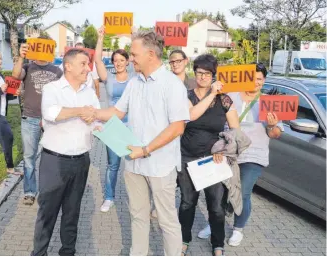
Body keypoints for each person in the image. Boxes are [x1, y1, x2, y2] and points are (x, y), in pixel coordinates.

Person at [93, 30, 189, 256]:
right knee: (138, 216)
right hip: (134, 165)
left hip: (160, 166)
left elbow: (178, 126)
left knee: (167, 221)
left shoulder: (172, 84)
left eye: (134, 54)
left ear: (150, 54)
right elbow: (117, 111)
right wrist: (93, 113)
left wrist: (145, 150)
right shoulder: (135, 82)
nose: (131, 58)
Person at [197, 63, 283, 246]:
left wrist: (271, 125)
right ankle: (215, 224)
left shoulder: (268, 102)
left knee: (242, 192)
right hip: (227, 152)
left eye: (260, 79)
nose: (256, 82)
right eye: (253, 78)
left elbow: (275, 134)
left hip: (254, 154)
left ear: (264, 81)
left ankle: (238, 228)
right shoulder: (231, 96)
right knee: (219, 193)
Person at [31, 48, 100, 256]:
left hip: (81, 160)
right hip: (55, 161)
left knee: (72, 213)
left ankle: (67, 252)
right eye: (83, 64)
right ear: (68, 66)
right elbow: (50, 113)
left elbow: (98, 120)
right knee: (47, 212)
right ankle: (39, 253)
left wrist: (99, 125)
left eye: (88, 64)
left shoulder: (89, 91)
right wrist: (80, 111)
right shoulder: (53, 88)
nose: (87, 68)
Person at [178, 54, 240, 256]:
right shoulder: (186, 96)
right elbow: (191, 115)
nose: (202, 77)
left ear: (214, 75)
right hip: (187, 156)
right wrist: (211, 94)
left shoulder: (225, 100)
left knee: (216, 206)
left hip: (214, 160)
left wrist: (222, 150)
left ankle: (218, 244)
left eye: (207, 73)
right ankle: (183, 239)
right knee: (188, 203)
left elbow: (235, 132)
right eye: (199, 73)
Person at [12, 36, 63, 206]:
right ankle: (29, 192)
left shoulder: (57, 71)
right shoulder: (28, 66)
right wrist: (21, 56)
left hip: (50, 120)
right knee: (29, 157)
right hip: (30, 118)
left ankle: (50, 191)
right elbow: (16, 75)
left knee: (53, 157)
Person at [94, 26, 135, 213]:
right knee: (112, 165)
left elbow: (138, 54)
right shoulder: (108, 78)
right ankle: (109, 197)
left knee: (135, 166)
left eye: (122, 60)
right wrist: (100, 38)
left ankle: (137, 200)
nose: (118, 63)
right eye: (115, 60)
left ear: (128, 62)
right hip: (112, 127)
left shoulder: (134, 77)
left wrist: (135, 35)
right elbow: (96, 60)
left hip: (132, 126)